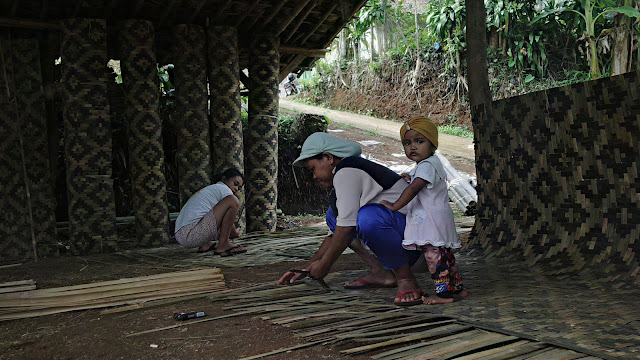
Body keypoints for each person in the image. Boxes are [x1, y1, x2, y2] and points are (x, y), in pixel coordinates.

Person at [277, 132, 426, 306]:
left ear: (328, 158)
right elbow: (336, 234)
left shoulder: (346, 171)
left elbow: (347, 230)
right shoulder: (346, 172)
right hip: (404, 241)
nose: (314, 176)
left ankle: (406, 279)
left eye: (313, 169)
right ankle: (380, 271)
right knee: (334, 216)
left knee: (368, 218)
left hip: (420, 247)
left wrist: (324, 266)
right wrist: (309, 265)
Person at [381, 115, 467, 305]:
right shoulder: (428, 164)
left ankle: (443, 295)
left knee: (433, 257)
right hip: (437, 219)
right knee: (446, 256)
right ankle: (457, 289)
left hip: (431, 222)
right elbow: (415, 179)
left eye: (419, 141)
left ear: (432, 144)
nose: (413, 147)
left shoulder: (427, 165)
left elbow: (414, 189)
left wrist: (395, 206)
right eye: (407, 142)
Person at [174, 168, 247, 256]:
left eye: (239, 188)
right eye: (235, 184)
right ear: (224, 179)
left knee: (206, 212)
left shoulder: (212, 190)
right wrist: (234, 232)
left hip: (181, 235)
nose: (236, 189)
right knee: (233, 201)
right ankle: (223, 245)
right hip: (191, 234)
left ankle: (206, 245)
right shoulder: (223, 189)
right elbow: (229, 223)